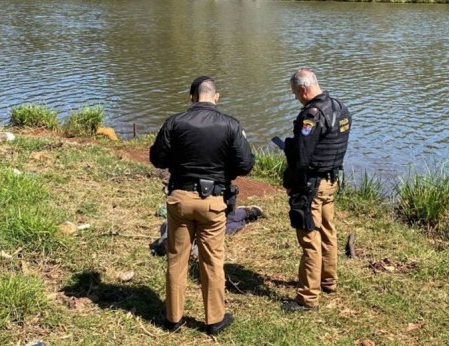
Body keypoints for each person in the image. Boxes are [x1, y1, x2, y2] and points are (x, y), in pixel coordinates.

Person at [149, 76, 255, 335]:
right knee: (212, 261)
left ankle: (173, 319)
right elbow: (246, 164)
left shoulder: (174, 122)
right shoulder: (230, 125)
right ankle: (214, 321)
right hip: (212, 203)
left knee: (177, 259)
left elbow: (157, 158)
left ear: (191, 97)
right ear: (216, 97)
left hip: (180, 199)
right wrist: (222, 168)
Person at [281, 68, 351, 312]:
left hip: (312, 185)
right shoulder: (340, 107)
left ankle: (308, 297)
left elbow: (301, 158)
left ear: (303, 89)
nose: (296, 99)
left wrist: (290, 183)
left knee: (310, 238)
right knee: (328, 232)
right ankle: (328, 280)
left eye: (295, 94)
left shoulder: (311, 115)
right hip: (331, 181)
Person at [149, 205, 264, 258]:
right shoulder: (192, 252)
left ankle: (246, 212)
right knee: (225, 227)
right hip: (200, 231)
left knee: (224, 218)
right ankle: (247, 215)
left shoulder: (167, 227)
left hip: (195, 212)